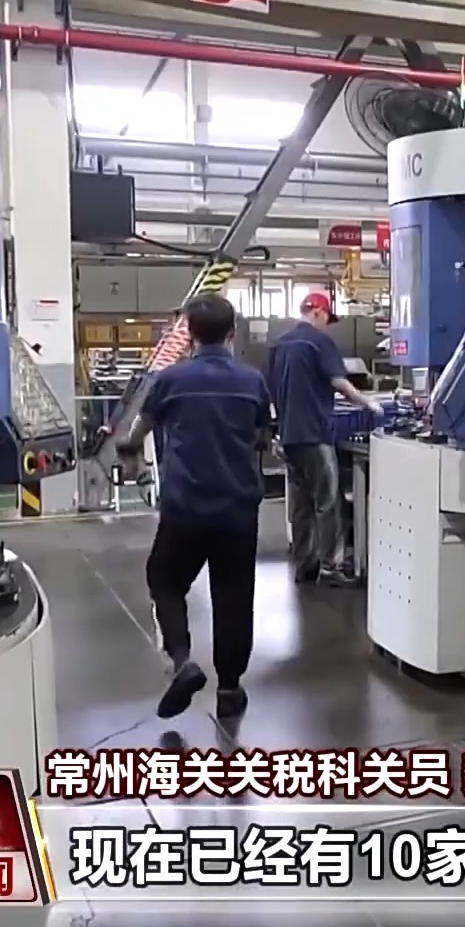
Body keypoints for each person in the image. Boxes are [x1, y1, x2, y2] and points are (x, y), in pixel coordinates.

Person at [115, 293, 273, 720]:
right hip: (237, 507)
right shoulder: (252, 381)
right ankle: (230, 688)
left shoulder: (171, 380)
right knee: (234, 596)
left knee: (165, 580)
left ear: (190, 334)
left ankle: (183, 660)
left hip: (185, 506)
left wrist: (130, 453)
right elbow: (262, 437)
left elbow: (137, 431)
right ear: (232, 331)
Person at [267, 291, 379, 585]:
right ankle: (331, 567)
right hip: (315, 435)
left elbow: (273, 391)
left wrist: (277, 433)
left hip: (289, 436)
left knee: (301, 507)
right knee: (328, 503)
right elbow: (340, 382)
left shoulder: (279, 345)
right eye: (327, 318)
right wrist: (368, 403)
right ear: (317, 311)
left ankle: (305, 565)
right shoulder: (318, 342)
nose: (326, 325)